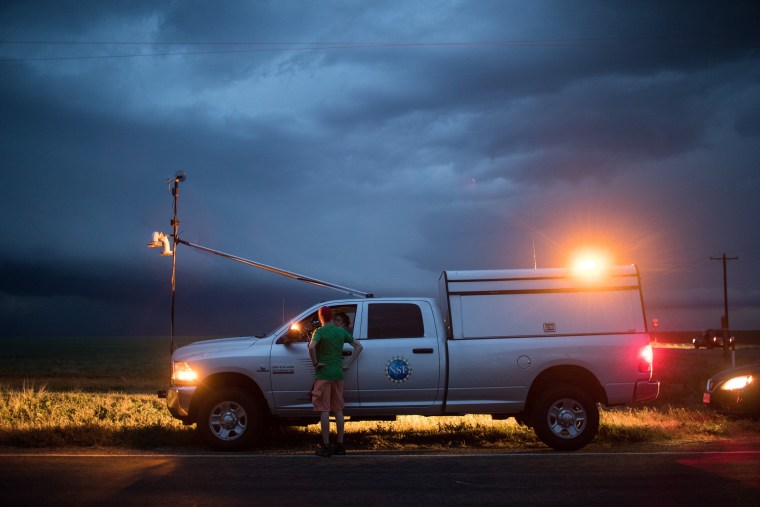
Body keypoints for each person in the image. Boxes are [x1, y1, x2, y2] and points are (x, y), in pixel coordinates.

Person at [308, 306, 362, 456]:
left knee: (325, 409)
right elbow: (359, 346)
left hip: (324, 374)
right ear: (331, 317)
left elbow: (311, 347)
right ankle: (340, 444)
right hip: (338, 374)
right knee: (338, 410)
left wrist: (315, 363)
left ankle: (325, 446)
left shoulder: (319, 332)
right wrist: (348, 364)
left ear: (321, 317)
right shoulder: (341, 332)